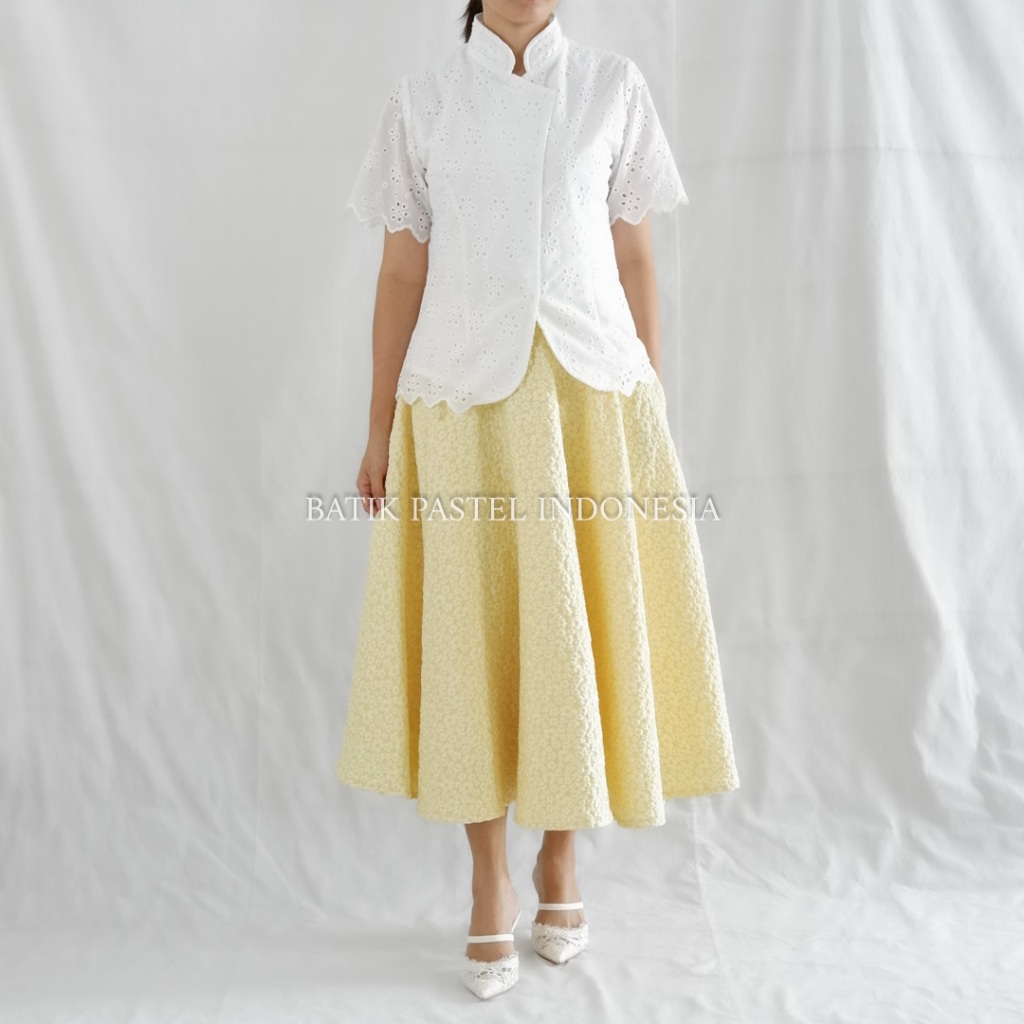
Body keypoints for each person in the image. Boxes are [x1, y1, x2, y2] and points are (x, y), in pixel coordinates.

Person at [336, 0, 740, 1001]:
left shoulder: (613, 89)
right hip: (461, 402)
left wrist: (648, 402)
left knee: (575, 630)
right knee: (472, 634)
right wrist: (379, 426)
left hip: (587, 402)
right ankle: (489, 874)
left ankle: (561, 858)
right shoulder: (424, 103)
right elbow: (400, 272)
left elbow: (634, 256)